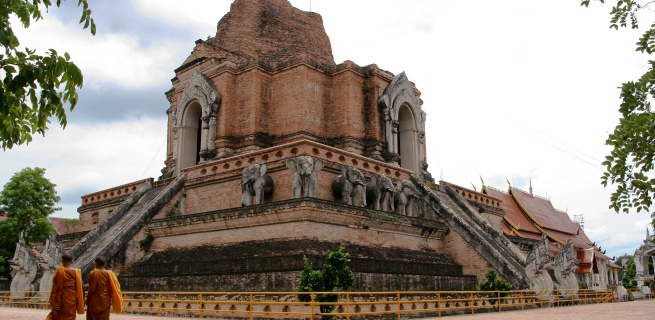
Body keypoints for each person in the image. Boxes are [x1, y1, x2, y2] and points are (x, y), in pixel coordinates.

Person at [47, 253, 84, 320]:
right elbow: (82, 287)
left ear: (62, 260)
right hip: (72, 300)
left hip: (60, 301)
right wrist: (81, 301)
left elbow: (54, 288)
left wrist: (52, 302)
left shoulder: (59, 271)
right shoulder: (76, 272)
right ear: (72, 261)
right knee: (70, 317)